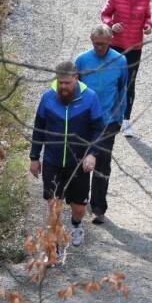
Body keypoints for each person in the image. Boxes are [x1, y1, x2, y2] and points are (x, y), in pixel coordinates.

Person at [29, 60, 105, 263]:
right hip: (52, 161)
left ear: (76, 79)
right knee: (53, 206)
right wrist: (34, 157)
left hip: (78, 163)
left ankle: (76, 224)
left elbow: (99, 130)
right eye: (60, 82)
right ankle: (53, 250)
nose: (63, 87)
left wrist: (92, 154)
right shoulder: (48, 98)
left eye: (67, 83)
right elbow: (38, 129)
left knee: (78, 208)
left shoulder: (90, 98)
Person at [75, 25, 127, 225]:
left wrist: (119, 118)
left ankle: (98, 207)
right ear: (91, 41)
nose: (99, 47)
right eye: (96, 43)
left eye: (103, 44)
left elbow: (122, 90)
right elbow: (72, 87)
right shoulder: (81, 60)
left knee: (102, 163)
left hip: (108, 121)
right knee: (81, 161)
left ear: (110, 41)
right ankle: (80, 201)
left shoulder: (120, 61)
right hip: (84, 120)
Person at [100, 0, 152, 137]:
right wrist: (111, 24)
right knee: (112, 81)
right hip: (115, 45)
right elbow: (105, 14)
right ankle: (107, 117)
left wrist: (148, 26)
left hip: (135, 47)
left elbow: (148, 17)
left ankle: (126, 121)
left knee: (129, 83)